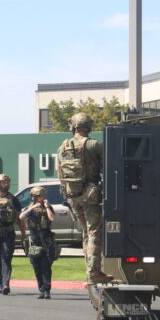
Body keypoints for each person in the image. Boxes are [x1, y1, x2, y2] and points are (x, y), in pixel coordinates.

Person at [57, 112, 113, 284]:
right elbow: (108, 167)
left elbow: (60, 174)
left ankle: (90, 270)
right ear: (88, 126)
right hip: (90, 196)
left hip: (72, 196)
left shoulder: (63, 147)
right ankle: (93, 272)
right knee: (94, 232)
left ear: (73, 126)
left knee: (86, 233)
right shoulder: (94, 144)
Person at [20, 185, 56, 299]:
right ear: (33, 197)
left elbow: (52, 218)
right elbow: (21, 217)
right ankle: (41, 289)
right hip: (35, 242)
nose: (41, 198)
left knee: (46, 267)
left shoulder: (48, 207)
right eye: (38, 196)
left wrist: (47, 207)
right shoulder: (30, 208)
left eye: (42, 196)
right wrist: (32, 208)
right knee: (36, 267)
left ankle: (47, 290)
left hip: (46, 241)